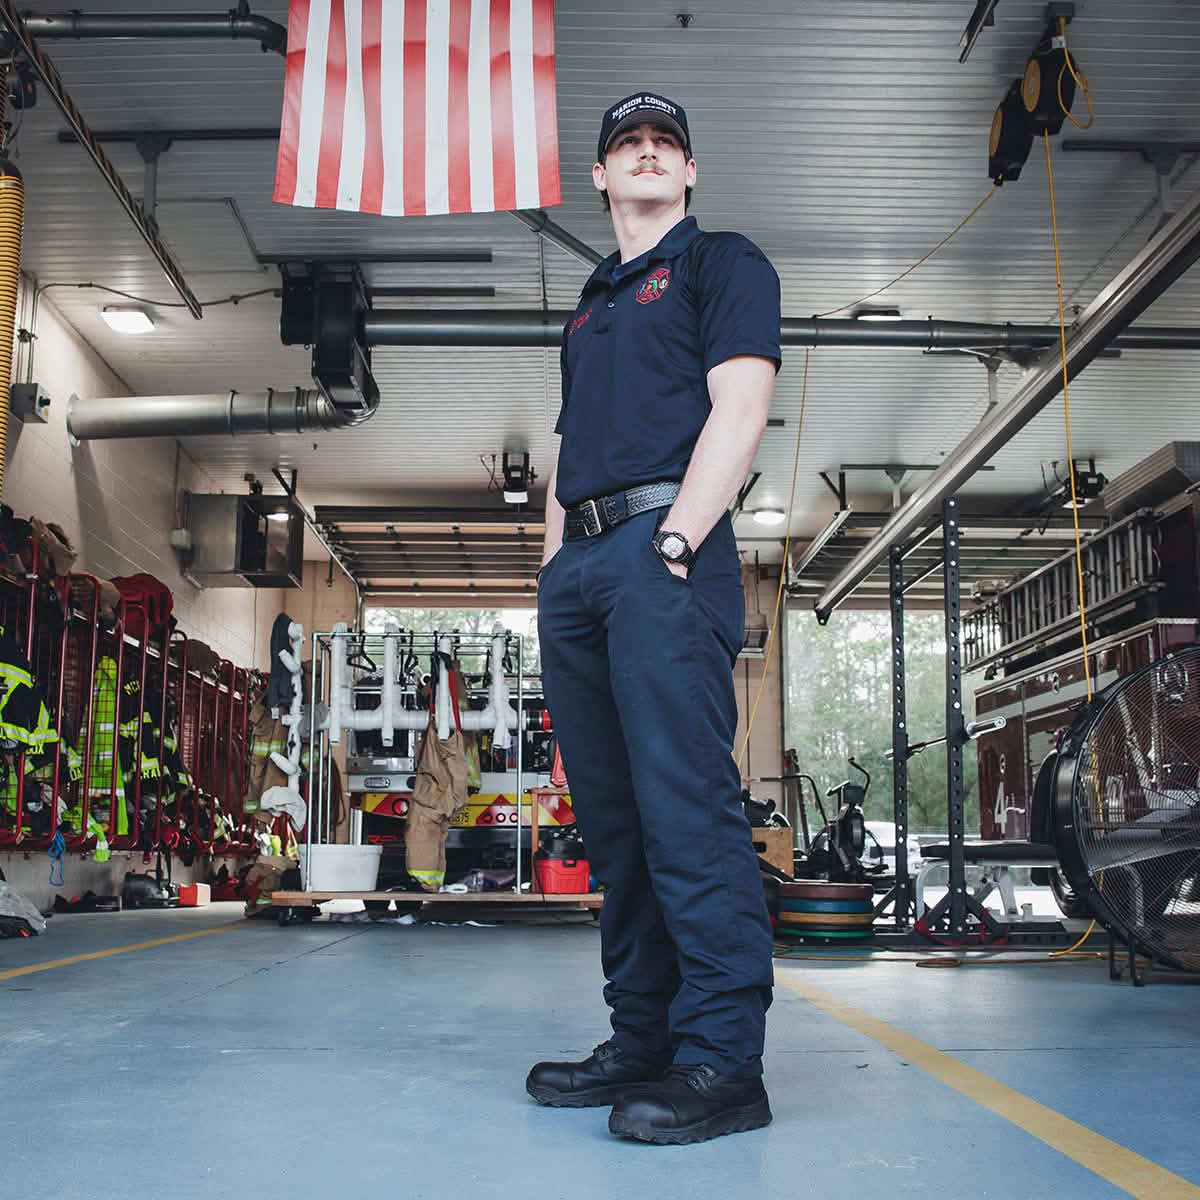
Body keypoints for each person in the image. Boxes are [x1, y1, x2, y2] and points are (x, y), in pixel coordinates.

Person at [527, 92, 782, 1146]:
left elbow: (741, 404)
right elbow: (566, 455)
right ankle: (643, 1040)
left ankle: (723, 1061)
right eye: (626, 143)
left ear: (687, 172)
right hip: (581, 571)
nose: (644, 153)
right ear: (599, 176)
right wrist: (548, 580)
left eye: (664, 143)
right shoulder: (590, 305)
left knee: (687, 812)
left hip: (659, 554)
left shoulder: (723, 262)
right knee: (619, 825)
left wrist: (676, 539)